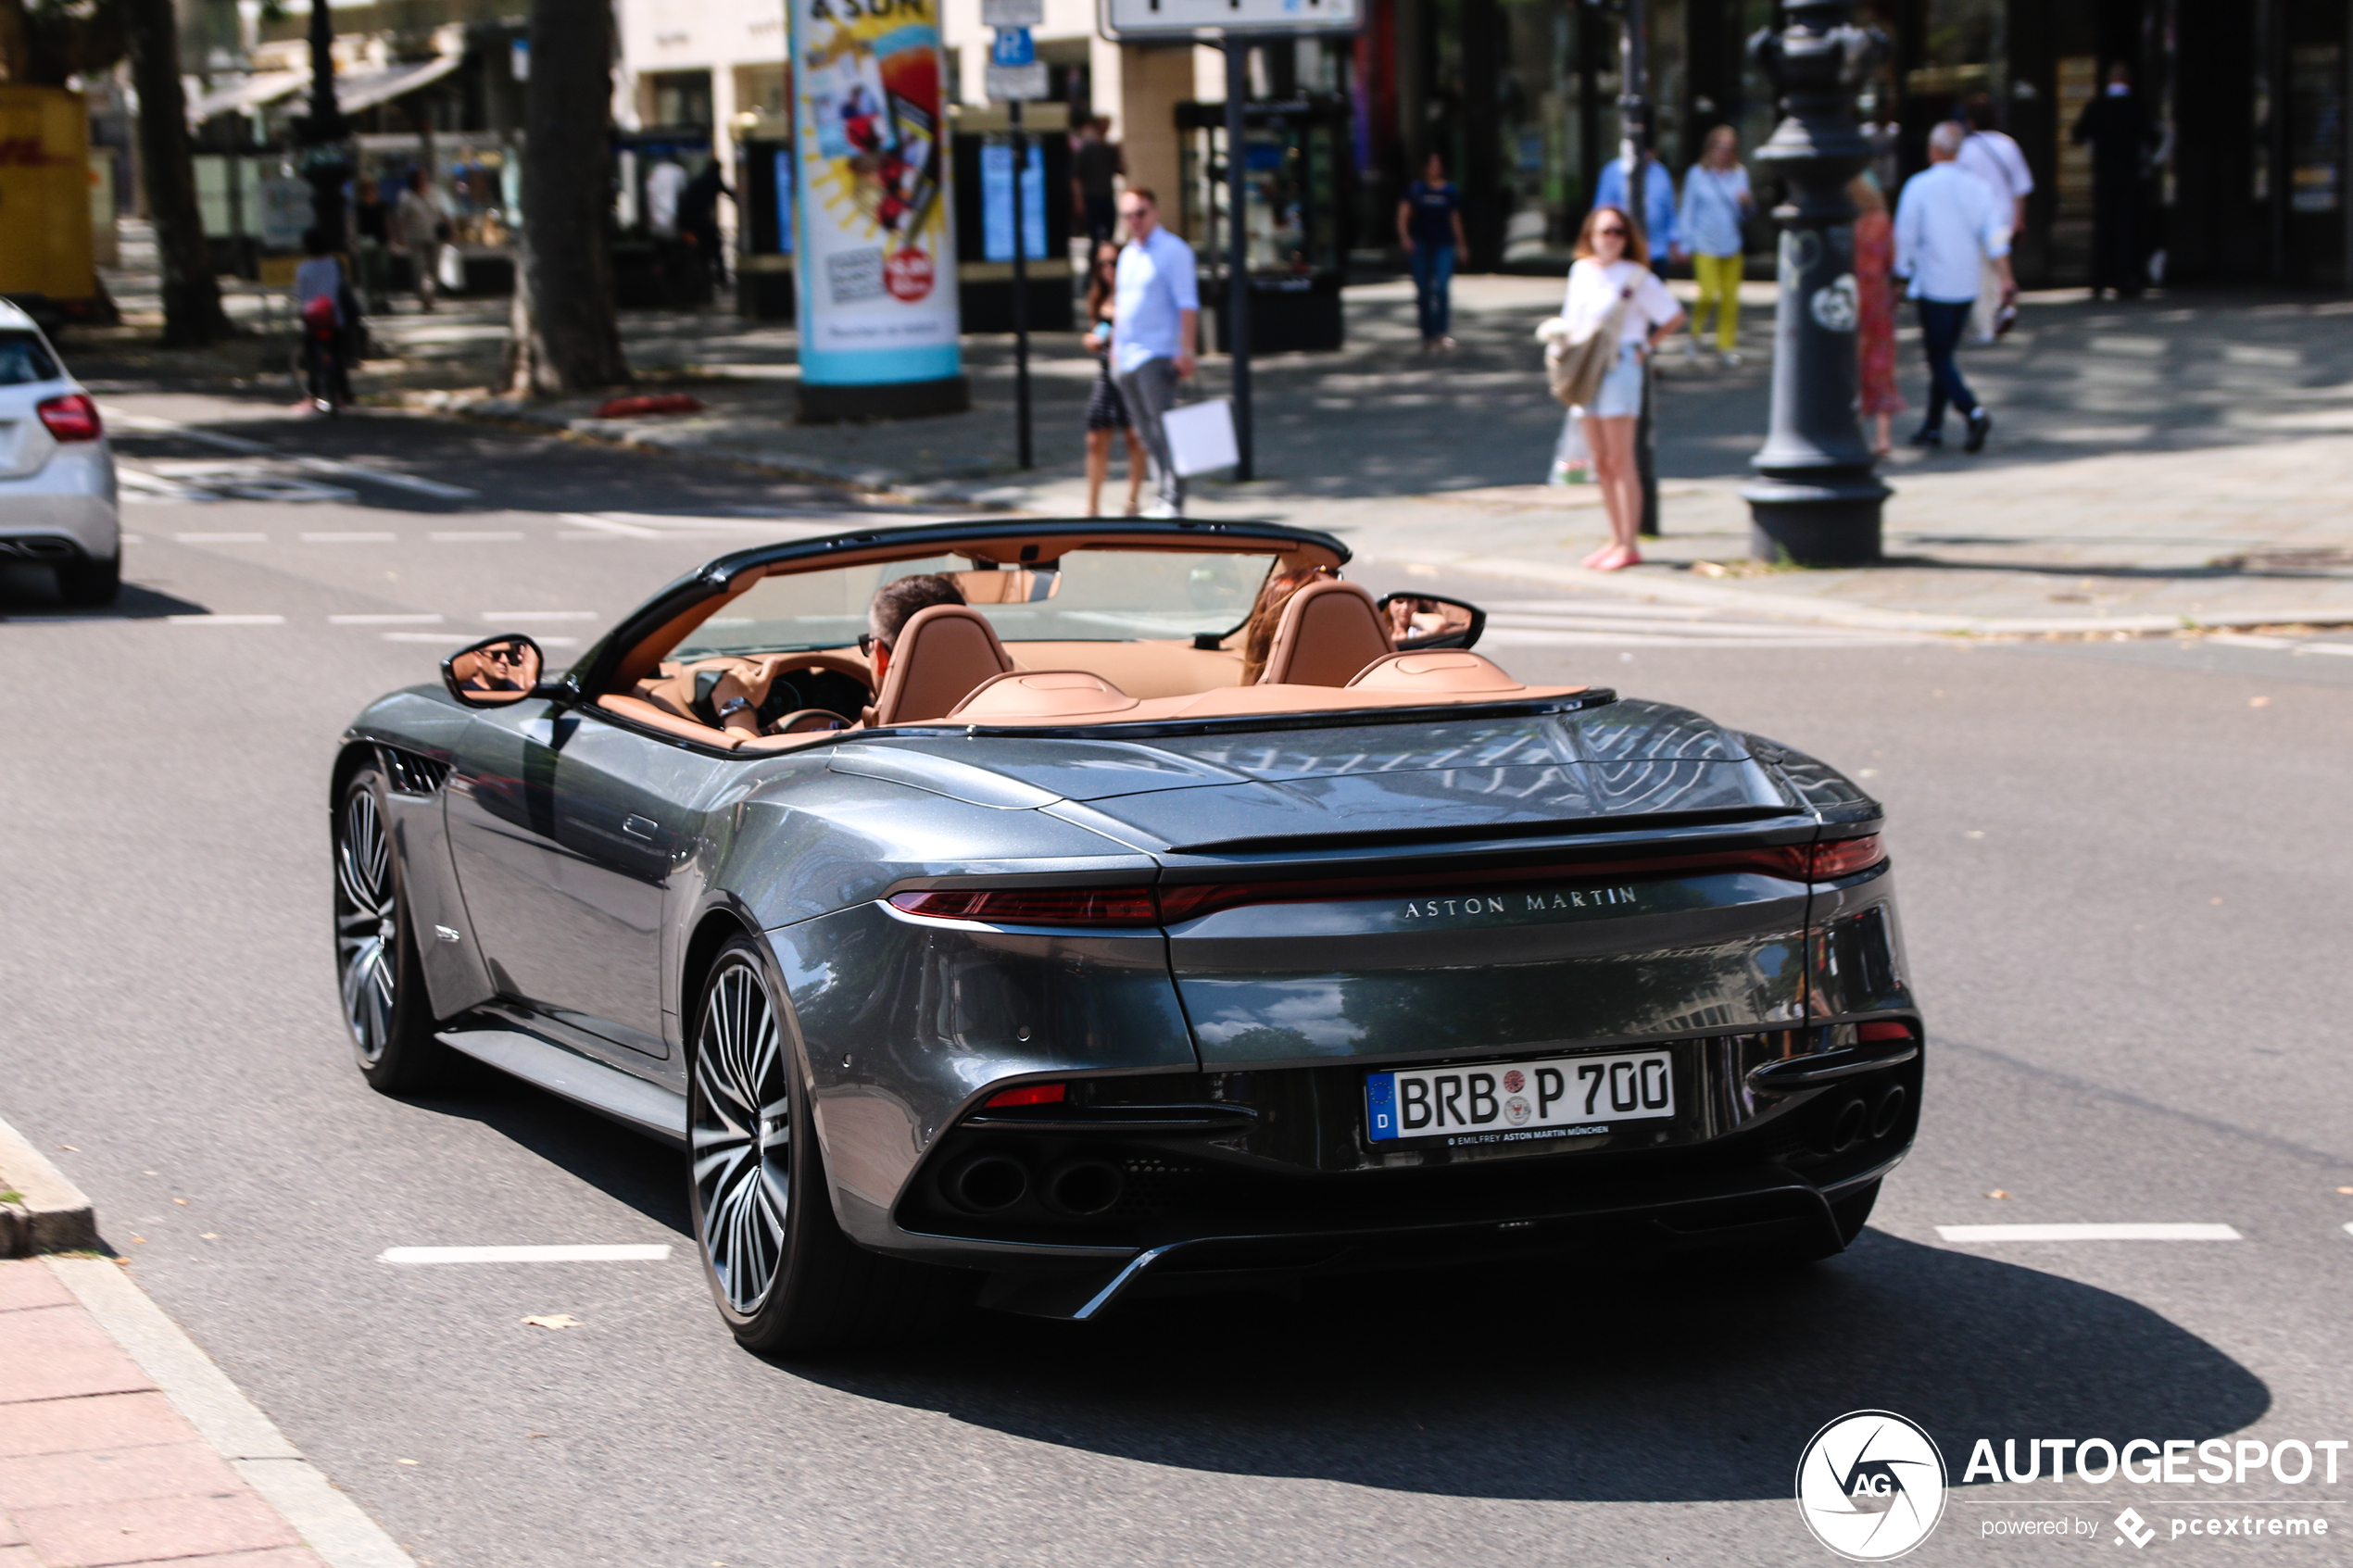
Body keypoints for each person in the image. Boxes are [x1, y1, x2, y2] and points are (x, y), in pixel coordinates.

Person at [1560, 205, 1683, 571]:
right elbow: (1571, 320)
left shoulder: (1636, 276)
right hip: (1585, 368)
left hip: (1620, 366)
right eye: (1604, 231)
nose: (1611, 238)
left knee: (1621, 458)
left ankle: (1629, 543)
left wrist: (1645, 347)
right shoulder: (1580, 271)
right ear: (1591, 236)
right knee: (1600, 460)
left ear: (1628, 238)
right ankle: (1615, 538)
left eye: (1618, 232)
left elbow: (1673, 315)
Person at [1894, 119, 2014, 452]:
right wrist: (2006, 278)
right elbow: (1995, 237)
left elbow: (1904, 234)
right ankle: (1932, 426)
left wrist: (1899, 273)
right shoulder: (1977, 187)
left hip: (1933, 284)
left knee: (1938, 358)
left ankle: (1972, 411)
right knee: (1943, 355)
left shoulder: (1918, 186)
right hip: (1965, 285)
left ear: (1933, 150)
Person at [1111, 187, 1200, 519]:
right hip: (1127, 357)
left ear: (1155, 212)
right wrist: (1115, 351)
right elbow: (1121, 306)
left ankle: (1174, 497)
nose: (1135, 220)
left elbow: (1187, 303)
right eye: (1128, 215)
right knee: (1145, 432)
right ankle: (1163, 490)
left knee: (1165, 428)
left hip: (1157, 353)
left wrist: (1187, 350)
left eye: (1141, 212)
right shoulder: (1128, 254)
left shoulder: (1173, 251)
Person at [1956, 95, 2032, 341]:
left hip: (1976, 220)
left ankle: (1986, 326)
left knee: (1981, 274)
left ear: (1970, 121)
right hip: (2004, 218)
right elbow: (2021, 187)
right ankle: (2005, 305)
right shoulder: (2008, 145)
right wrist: (2019, 218)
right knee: (2000, 269)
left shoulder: (1965, 150)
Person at [1081, 242, 1147, 518]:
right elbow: (1095, 332)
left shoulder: (1135, 294)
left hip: (1132, 373)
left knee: (1135, 438)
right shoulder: (1100, 296)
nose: (1108, 269)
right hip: (1107, 374)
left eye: (1114, 263)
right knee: (1096, 439)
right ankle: (1092, 507)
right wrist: (1092, 340)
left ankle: (1132, 501)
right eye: (1102, 264)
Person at [1678, 126, 1752, 364]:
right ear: (1710, 148)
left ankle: (1726, 347)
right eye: (1720, 147)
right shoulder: (1697, 174)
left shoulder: (1740, 174)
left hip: (1731, 243)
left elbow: (1746, 215)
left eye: (1730, 148)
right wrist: (1684, 243)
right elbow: (1687, 211)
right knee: (1708, 293)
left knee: (1730, 299)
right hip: (1704, 243)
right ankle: (1695, 336)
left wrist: (1746, 204)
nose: (1724, 152)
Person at [2072, 62, 2145, 299]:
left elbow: (2077, 134)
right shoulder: (2136, 107)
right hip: (2129, 172)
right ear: (2129, 80)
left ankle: (2098, 280)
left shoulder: (2096, 107)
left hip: (2103, 172)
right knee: (2127, 227)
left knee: (2104, 226)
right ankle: (2125, 278)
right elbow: (2151, 135)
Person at [1850, 175, 1905, 458]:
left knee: (1851, 364)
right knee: (1881, 363)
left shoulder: (1849, 224)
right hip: (1878, 297)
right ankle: (1883, 437)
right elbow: (1892, 261)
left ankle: (1854, 428)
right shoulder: (1882, 221)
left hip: (1852, 295)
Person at [1397, 152, 1467, 352]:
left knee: (1442, 288)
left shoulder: (1449, 191)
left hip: (1443, 244)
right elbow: (1403, 215)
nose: (1435, 169)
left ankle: (1441, 332)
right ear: (1425, 167)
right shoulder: (1416, 190)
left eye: (1438, 165)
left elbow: (1455, 219)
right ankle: (1427, 334)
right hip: (1421, 244)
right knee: (1423, 290)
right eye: (1432, 165)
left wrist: (1461, 245)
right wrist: (1405, 237)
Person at [292, 228, 353, 411]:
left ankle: (313, 394)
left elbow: (301, 295)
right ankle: (343, 393)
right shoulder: (335, 264)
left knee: (312, 358)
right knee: (338, 356)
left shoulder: (303, 269)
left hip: (313, 320)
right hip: (335, 318)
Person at [1592, 148, 1680, 263]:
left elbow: (1669, 210)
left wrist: (1674, 240)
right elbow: (1601, 212)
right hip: (1623, 253)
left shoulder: (1661, 172)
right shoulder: (1612, 171)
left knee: (1653, 281)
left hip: (1657, 251)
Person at [392, 169, 446, 312]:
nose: (424, 181)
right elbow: (401, 218)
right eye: (421, 178)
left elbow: (442, 212)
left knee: (434, 269)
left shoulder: (433, 193)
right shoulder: (407, 197)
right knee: (419, 269)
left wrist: (450, 228)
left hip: (434, 237)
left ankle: (432, 295)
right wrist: (399, 236)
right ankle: (424, 299)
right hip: (415, 239)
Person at [679, 159, 736, 291]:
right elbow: (728, 192)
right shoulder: (713, 178)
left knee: (702, 245)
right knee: (715, 244)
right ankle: (721, 277)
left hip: (688, 219)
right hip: (697, 218)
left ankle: (704, 273)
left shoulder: (700, 179)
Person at [1071, 117, 1124, 249]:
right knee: (1094, 238)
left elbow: (1121, 171)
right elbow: (1076, 177)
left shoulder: (1110, 149)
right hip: (1091, 197)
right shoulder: (1086, 149)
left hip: (1107, 196)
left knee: (1109, 236)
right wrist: (1079, 200)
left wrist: (1120, 152)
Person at [351, 176, 391, 313]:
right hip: (365, 242)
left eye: (373, 189)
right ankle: (371, 300)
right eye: (368, 189)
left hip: (381, 241)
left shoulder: (382, 205)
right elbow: (354, 223)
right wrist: (353, 241)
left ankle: (382, 298)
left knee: (382, 270)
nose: (371, 191)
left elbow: (386, 222)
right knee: (367, 272)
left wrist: (391, 237)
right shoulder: (359, 206)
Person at [645, 156, 689, 240]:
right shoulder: (678, 171)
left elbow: (650, 194)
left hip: (658, 217)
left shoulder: (654, 171)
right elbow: (684, 192)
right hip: (674, 217)